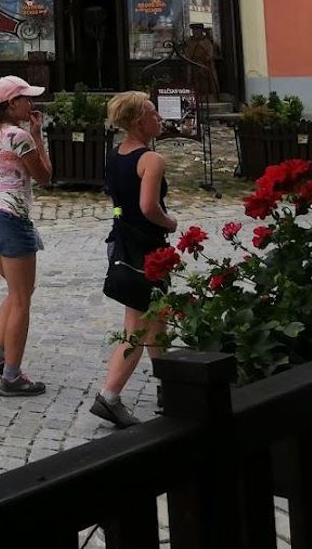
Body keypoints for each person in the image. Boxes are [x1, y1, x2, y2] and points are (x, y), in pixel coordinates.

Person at [93, 91, 179, 428]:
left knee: (158, 317)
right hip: (146, 249)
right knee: (138, 328)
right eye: (153, 113)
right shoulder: (150, 160)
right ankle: (109, 397)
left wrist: (124, 220)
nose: (159, 118)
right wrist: (170, 222)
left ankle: (168, 384)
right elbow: (148, 207)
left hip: (124, 245)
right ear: (138, 121)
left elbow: (117, 202)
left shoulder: (115, 156)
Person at [0, 75, 52, 397]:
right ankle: (12, 375)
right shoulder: (19, 136)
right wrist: (38, 135)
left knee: (16, 291)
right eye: (26, 99)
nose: (31, 104)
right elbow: (44, 176)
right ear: (11, 104)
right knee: (21, 298)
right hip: (10, 218)